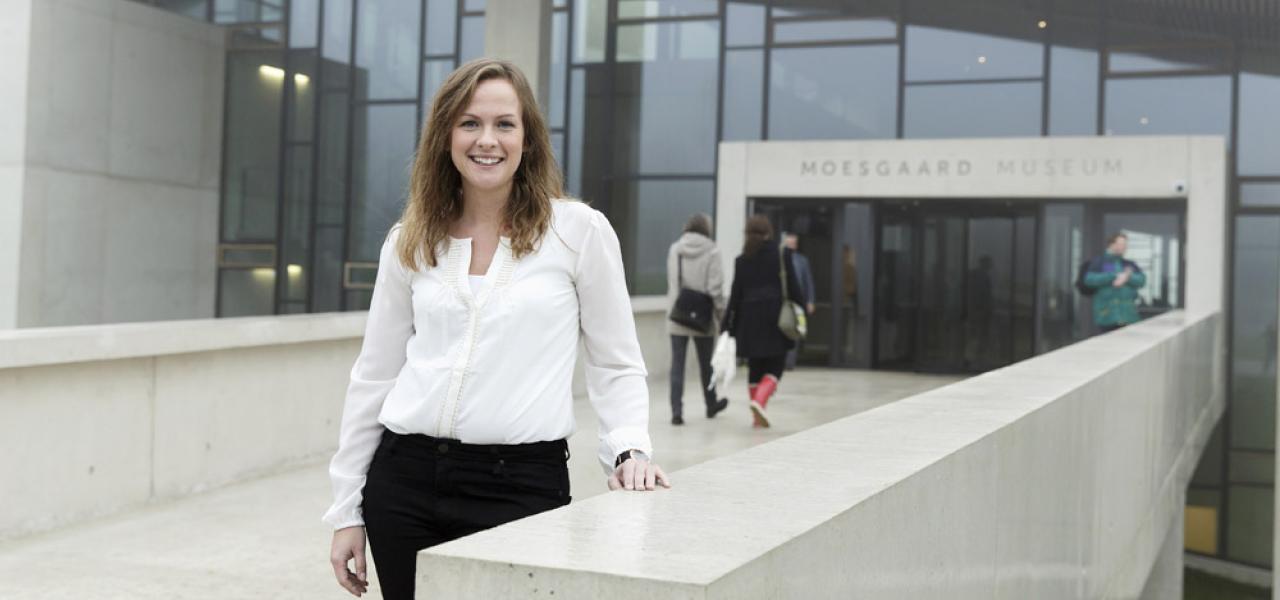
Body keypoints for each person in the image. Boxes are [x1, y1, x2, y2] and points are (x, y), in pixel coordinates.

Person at [323, 59, 669, 600]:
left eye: (505, 124)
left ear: (527, 139)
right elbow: (374, 375)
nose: (488, 140)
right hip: (404, 483)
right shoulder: (410, 241)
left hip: (520, 487)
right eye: (469, 123)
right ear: (445, 137)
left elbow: (615, 360)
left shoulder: (578, 232)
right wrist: (346, 509)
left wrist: (628, 450)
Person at [721, 216, 806, 428]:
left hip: (748, 322)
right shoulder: (781, 254)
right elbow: (793, 287)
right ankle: (759, 402)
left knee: (755, 366)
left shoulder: (742, 260)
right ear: (769, 232)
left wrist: (726, 323)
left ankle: (756, 416)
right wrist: (801, 307)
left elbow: (735, 295)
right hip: (775, 320)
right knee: (776, 367)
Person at [665, 214, 729, 425]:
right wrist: (720, 314)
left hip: (678, 315)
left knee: (677, 365)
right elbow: (715, 289)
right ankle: (711, 405)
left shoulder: (676, 249)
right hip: (703, 317)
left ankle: (676, 412)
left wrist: (676, 309)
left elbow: (673, 283)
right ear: (706, 229)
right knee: (706, 365)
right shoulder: (713, 250)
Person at [1083, 232, 1147, 333]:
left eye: (1125, 245)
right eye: (1121, 244)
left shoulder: (1129, 264)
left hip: (1128, 317)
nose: (1124, 247)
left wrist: (1127, 277)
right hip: (1107, 316)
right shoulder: (1099, 262)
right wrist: (1113, 276)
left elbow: (1142, 280)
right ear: (1111, 244)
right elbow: (1089, 279)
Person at [782, 233, 816, 370]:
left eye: (792, 244)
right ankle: (781, 360)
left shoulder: (802, 261)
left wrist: (810, 300)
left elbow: (808, 282)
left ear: (796, 245)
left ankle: (790, 362)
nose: (790, 246)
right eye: (788, 243)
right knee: (783, 329)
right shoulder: (779, 260)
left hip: (798, 304)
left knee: (795, 330)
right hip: (783, 303)